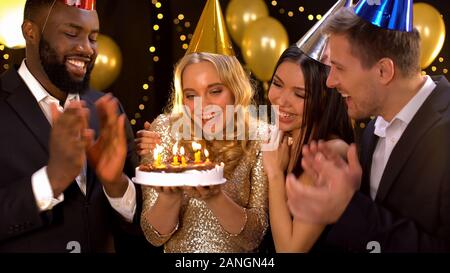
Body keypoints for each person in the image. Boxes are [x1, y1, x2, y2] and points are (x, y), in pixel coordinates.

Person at [286, 0, 450, 252]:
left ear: (384, 71)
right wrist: (346, 191)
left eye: (339, 68)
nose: (330, 82)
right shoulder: (372, 131)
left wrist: (348, 208)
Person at [0, 0, 145, 252]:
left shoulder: (107, 108)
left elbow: (142, 227)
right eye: (71, 33)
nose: (86, 49)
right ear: (30, 31)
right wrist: (50, 180)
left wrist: (117, 186)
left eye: (93, 37)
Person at [136, 0, 268, 253]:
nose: (202, 106)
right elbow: (153, 236)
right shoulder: (163, 130)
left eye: (215, 91)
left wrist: (214, 196)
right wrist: (170, 196)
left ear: (235, 90)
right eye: (191, 95)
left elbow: (254, 238)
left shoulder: (260, 136)